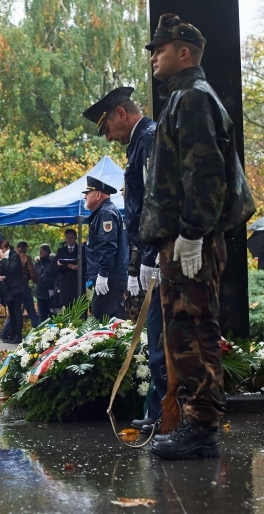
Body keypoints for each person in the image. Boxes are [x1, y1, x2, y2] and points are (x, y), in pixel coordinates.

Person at [140, 14, 255, 459]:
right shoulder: (183, 97)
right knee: (183, 331)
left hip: (194, 240)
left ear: (183, 52)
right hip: (186, 240)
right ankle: (195, 422)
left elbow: (204, 175)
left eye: (160, 49)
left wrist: (191, 234)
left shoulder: (192, 97)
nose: (153, 56)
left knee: (195, 331)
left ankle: (201, 428)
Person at [83, 86, 166, 433]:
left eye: (107, 129)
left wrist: (149, 255)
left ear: (120, 113)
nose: (108, 137)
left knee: (162, 338)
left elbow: (155, 201)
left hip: (159, 254)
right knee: (157, 333)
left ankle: (163, 414)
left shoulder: (149, 138)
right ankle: (160, 412)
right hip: (150, 255)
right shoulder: (140, 143)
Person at [82, 176, 129, 320]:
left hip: (109, 278)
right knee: (111, 322)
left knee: (101, 323)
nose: (85, 196)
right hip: (111, 277)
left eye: (88, 193)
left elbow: (108, 246)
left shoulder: (106, 213)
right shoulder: (104, 212)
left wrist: (103, 274)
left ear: (97, 194)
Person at [0, 239, 28, 344]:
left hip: (16, 289)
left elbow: (12, 268)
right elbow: (3, 270)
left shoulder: (14, 256)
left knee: (16, 312)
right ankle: (12, 334)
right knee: (11, 313)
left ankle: (18, 336)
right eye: (0, 249)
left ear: (7, 248)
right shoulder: (3, 258)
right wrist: (0, 277)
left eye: (3, 249)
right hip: (8, 289)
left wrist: (3, 259)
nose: (1, 251)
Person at [54, 229, 82, 309]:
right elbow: (56, 266)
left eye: (71, 237)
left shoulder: (81, 250)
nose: (69, 240)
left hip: (77, 283)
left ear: (75, 238)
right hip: (65, 284)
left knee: (78, 308)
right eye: (67, 238)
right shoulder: (61, 250)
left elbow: (84, 264)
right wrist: (66, 265)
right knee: (67, 309)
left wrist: (75, 267)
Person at [33, 244, 56, 324]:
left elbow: (55, 275)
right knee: (42, 314)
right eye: (40, 251)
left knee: (52, 313)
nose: (40, 253)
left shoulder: (52, 263)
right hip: (40, 292)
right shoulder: (37, 263)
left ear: (47, 252)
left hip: (50, 291)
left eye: (42, 251)